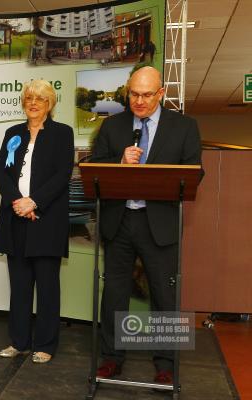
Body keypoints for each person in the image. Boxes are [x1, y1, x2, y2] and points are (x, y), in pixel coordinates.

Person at [90, 66, 202, 384]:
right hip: (120, 221)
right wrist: (119, 162)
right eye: (133, 94)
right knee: (113, 293)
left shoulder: (184, 127)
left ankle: (166, 364)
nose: (138, 101)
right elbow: (93, 167)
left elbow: (195, 173)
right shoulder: (113, 126)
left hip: (160, 223)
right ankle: (111, 358)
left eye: (146, 95)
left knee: (165, 295)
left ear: (161, 93)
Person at [0, 80, 74, 364]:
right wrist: (18, 202)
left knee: (48, 287)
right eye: (28, 97)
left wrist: (34, 201)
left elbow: (62, 175)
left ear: (49, 103)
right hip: (16, 219)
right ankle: (19, 342)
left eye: (40, 98)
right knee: (20, 285)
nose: (33, 102)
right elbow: (1, 173)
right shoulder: (12, 133)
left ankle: (45, 345)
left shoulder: (63, 133)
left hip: (46, 220)